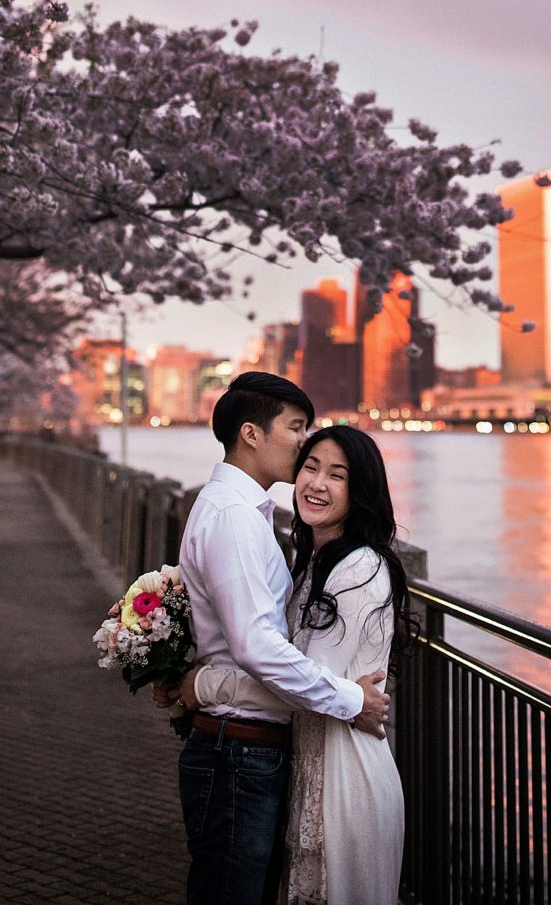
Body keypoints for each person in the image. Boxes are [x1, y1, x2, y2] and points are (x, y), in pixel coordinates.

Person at [172, 374, 390, 905]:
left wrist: (199, 684)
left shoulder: (247, 515)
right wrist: (352, 699)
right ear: (251, 433)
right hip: (238, 752)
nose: (302, 441)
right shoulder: (233, 518)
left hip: (247, 750)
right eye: (296, 429)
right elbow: (256, 647)